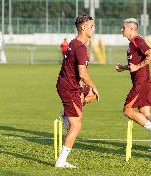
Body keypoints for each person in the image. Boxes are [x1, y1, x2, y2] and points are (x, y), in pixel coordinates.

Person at [116, 18, 151, 150]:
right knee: (145, 112)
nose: (122, 29)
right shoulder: (131, 43)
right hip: (143, 81)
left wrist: (137, 66)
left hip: (141, 82)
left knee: (127, 110)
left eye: (124, 28)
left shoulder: (137, 40)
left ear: (131, 29)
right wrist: (124, 67)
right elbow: (134, 65)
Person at [55, 15, 99, 168]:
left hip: (71, 84)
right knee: (76, 126)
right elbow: (82, 72)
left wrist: (86, 88)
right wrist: (93, 85)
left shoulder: (74, 43)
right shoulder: (79, 47)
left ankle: (67, 113)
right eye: (92, 26)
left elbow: (75, 71)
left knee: (92, 96)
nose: (94, 28)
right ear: (83, 28)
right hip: (68, 87)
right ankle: (61, 161)